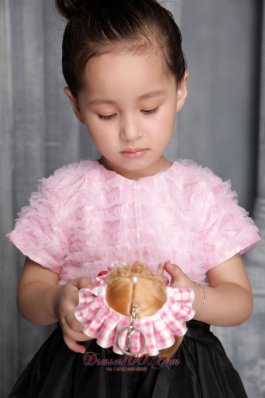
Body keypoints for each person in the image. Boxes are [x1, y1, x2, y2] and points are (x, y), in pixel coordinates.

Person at [6, 0, 261, 397]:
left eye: (148, 108)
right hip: (84, 375)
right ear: (76, 105)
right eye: (107, 114)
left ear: (180, 90)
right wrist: (58, 299)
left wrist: (194, 297)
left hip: (185, 376)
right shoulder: (66, 193)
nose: (131, 132)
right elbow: (30, 294)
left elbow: (239, 301)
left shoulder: (200, 194)